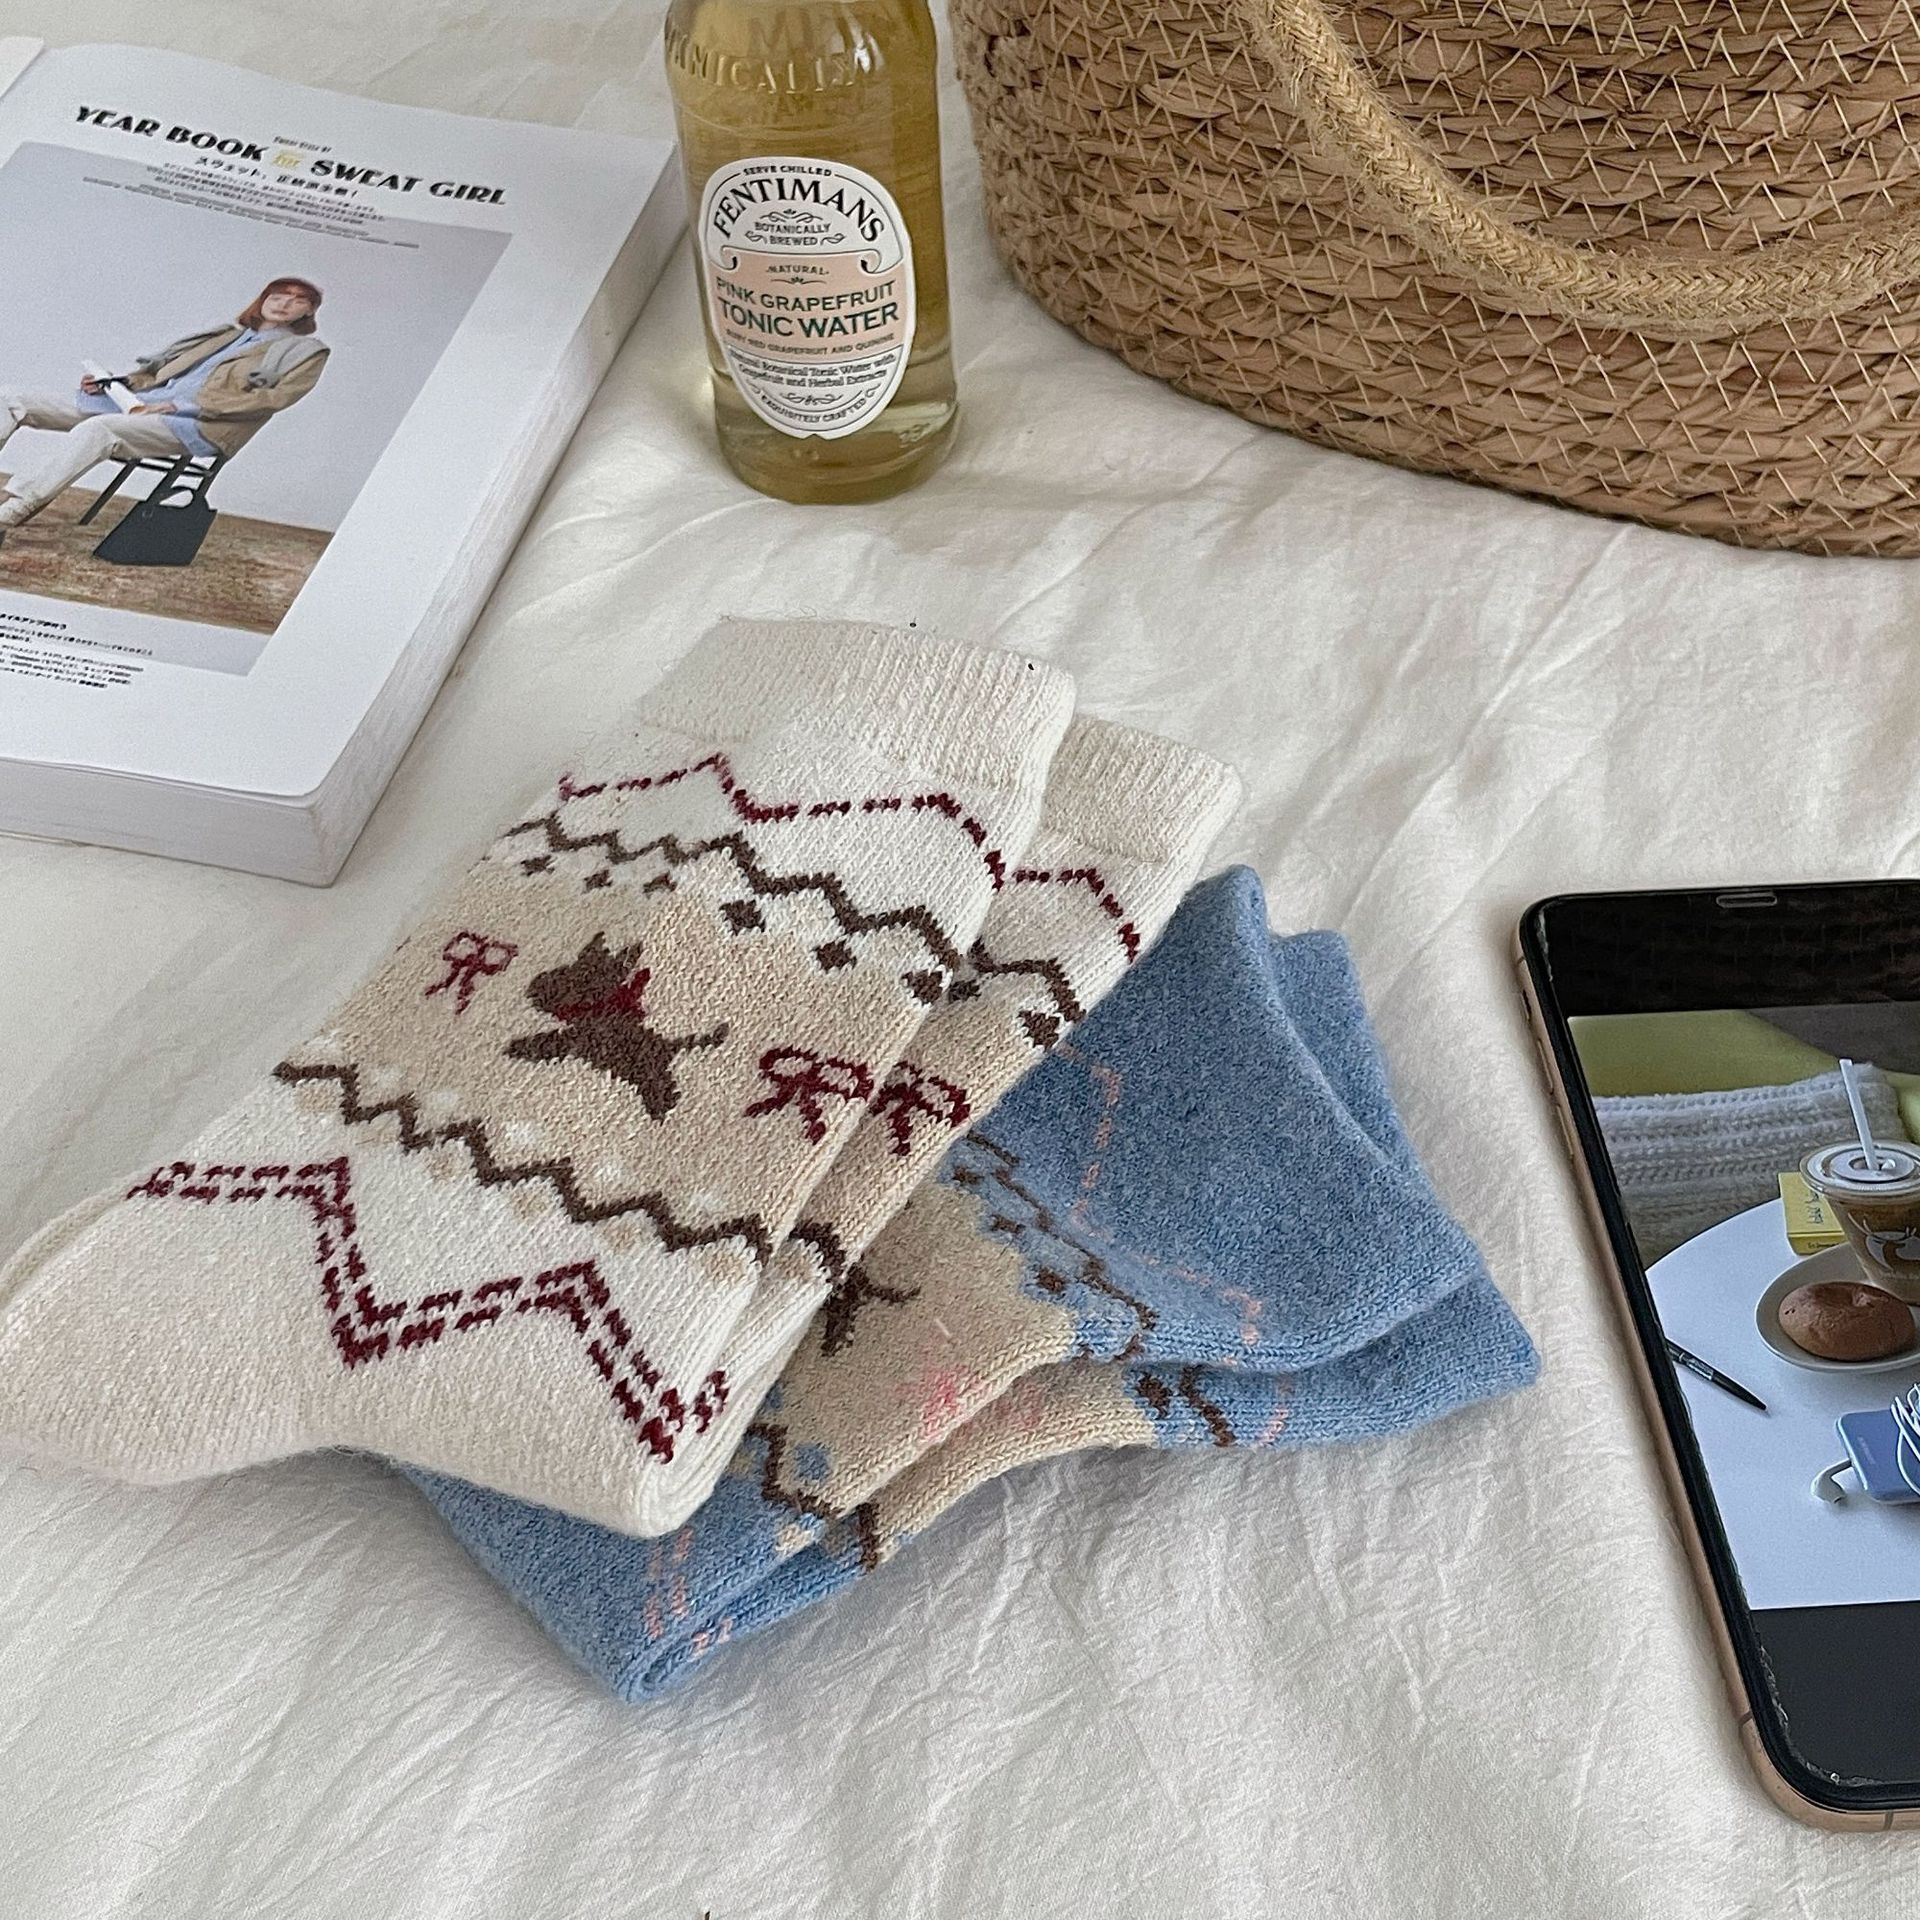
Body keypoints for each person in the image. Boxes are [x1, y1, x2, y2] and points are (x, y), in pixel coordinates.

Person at [0, 278, 330, 547]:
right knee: (12, 398)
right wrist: (114, 383)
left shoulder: (304, 352)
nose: (284, 303)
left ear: (309, 312)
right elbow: (158, 373)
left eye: (298, 300)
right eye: (278, 295)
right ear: (263, 299)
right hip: (138, 404)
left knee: (99, 429)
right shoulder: (223, 335)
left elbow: (273, 399)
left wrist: (183, 406)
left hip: (196, 424)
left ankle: (13, 509)